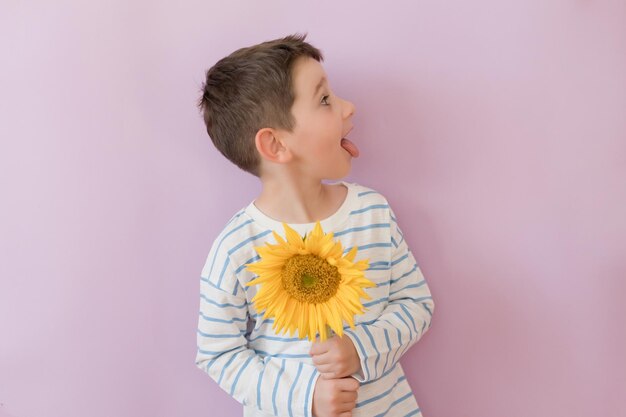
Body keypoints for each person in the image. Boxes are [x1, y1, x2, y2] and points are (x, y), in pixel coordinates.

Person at [195, 33, 435, 417]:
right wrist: (305, 397)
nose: (348, 108)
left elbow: (416, 303)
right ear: (275, 146)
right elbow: (217, 353)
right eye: (325, 100)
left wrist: (360, 349)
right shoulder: (236, 247)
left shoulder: (372, 213)